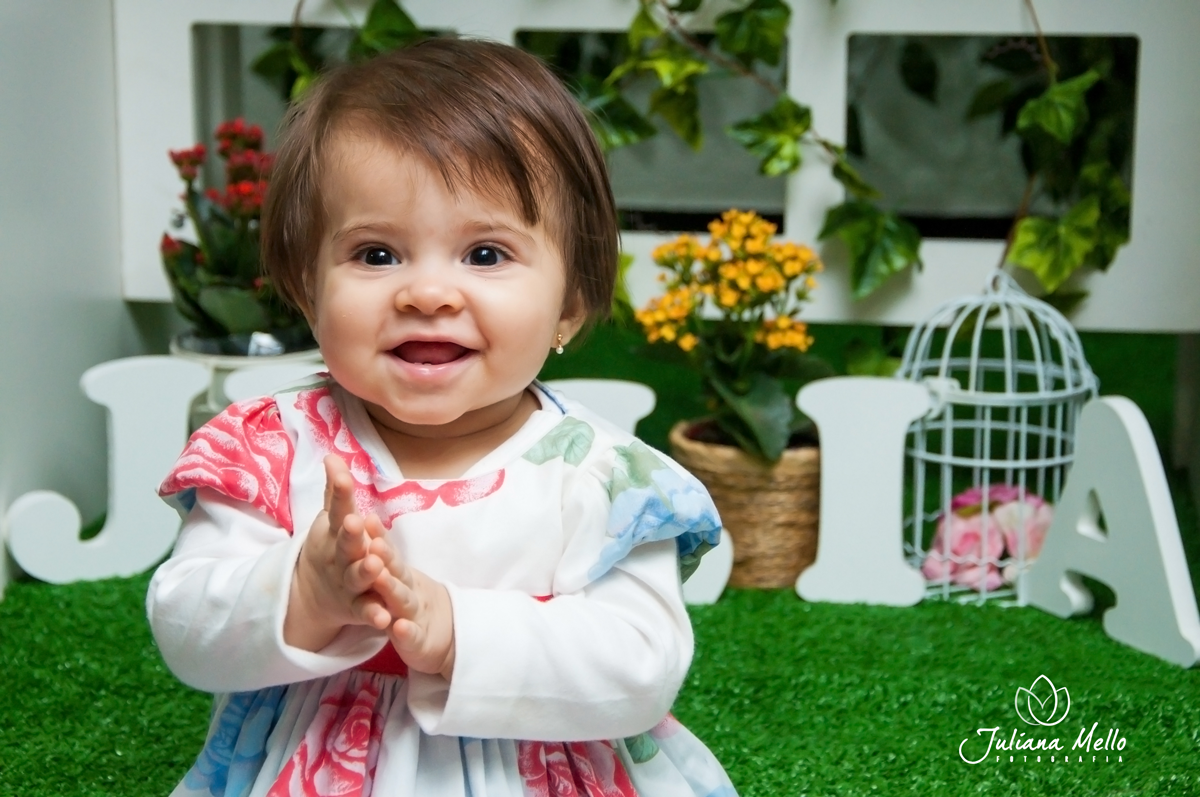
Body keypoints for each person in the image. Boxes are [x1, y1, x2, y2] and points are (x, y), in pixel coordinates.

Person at [148, 36, 737, 797]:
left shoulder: (602, 476)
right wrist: (304, 592)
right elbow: (187, 626)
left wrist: (455, 630)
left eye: (486, 255)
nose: (428, 293)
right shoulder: (270, 450)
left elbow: (642, 664)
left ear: (571, 303)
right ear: (305, 285)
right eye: (377, 255)